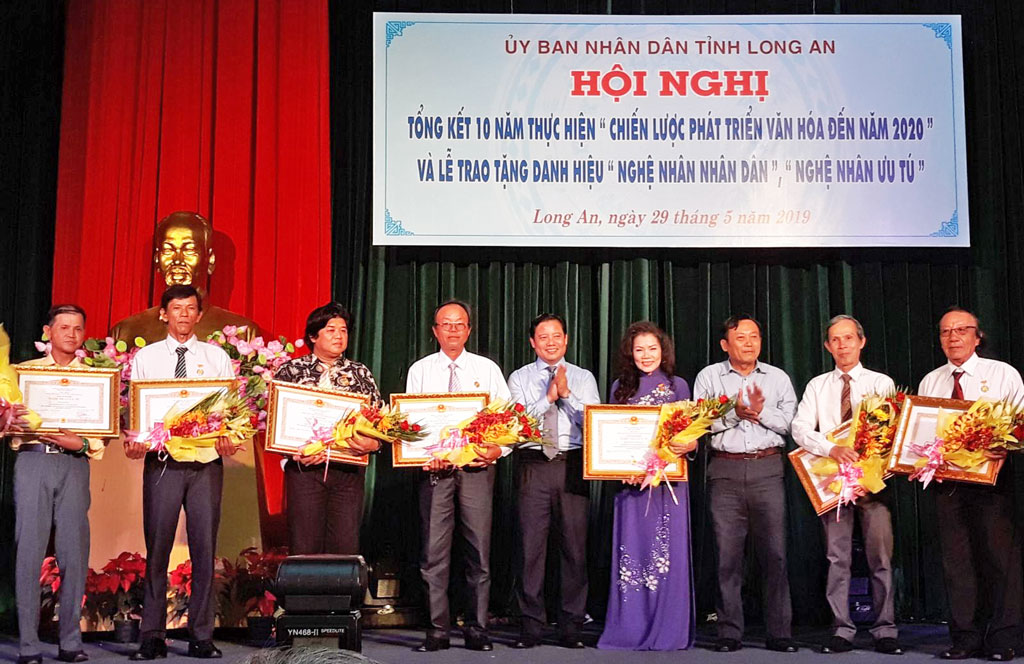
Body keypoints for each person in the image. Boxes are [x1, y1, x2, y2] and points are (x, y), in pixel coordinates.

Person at [125, 285, 238, 660]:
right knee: (157, 548)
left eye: (191, 308)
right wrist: (137, 439)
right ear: (164, 314)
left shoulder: (216, 356)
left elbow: (229, 409)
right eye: (177, 308)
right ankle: (152, 634)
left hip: (206, 462)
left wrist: (228, 438)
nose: (184, 315)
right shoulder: (147, 357)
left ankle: (201, 634)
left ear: (199, 315)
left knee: (205, 548)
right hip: (163, 462)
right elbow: (138, 408)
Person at [791, 315, 902, 655]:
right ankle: (842, 629)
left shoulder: (881, 383)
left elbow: (893, 432)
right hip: (832, 484)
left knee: (880, 557)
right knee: (836, 557)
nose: (842, 345)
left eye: (849, 338)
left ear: (861, 341)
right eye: (835, 340)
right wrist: (832, 448)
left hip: (873, 484)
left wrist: (873, 468)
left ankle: (885, 629)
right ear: (827, 346)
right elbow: (799, 428)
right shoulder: (817, 385)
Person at [919, 307, 1024, 661]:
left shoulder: (1002, 374)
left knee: (999, 558)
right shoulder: (931, 381)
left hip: (992, 479)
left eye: (961, 330)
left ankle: (1005, 637)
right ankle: (964, 637)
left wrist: (1005, 443)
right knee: (957, 561)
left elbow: (1021, 420)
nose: (953, 338)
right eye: (946, 332)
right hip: (947, 483)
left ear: (977, 336)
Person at [405, 300, 510, 653]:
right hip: (436, 473)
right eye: (445, 324)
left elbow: (507, 422)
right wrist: (422, 456)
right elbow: (412, 424)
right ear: (435, 330)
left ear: (468, 330)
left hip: (477, 471)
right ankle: (437, 631)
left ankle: (478, 629)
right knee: (433, 555)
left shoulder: (488, 369)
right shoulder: (420, 370)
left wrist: (496, 451)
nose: (452, 330)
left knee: (478, 554)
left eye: (459, 324)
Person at [10, 305, 110, 664]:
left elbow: (101, 435)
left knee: (73, 552)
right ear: (47, 332)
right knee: (29, 552)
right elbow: (8, 424)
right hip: (33, 460)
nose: (71, 333)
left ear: (84, 335)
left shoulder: (97, 379)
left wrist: (81, 443)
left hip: (74, 464)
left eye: (78, 328)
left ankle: (70, 642)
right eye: (64, 327)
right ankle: (28, 646)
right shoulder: (23, 375)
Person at [693, 314, 798, 653]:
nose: (750, 343)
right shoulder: (709, 377)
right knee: (728, 556)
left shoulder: (777, 378)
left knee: (775, 554)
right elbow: (699, 424)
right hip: (725, 470)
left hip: (768, 468)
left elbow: (791, 425)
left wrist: (759, 412)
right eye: (741, 338)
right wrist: (735, 413)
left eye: (755, 336)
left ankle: (780, 632)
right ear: (726, 344)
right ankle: (728, 631)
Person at [597, 321, 694, 651]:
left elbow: (689, 437)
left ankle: (668, 629)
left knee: (666, 556)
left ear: (663, 350)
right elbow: (611, 439)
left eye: (652, 348)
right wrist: (619, 470)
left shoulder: (677, 386)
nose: (646, 355)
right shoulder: (618, 388)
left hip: (667, 487)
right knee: (632, 554)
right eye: (639, 349)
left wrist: (689, 445)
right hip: (630, 489)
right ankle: (629, 629)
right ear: (630, 353)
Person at [507, 313, 600, 649]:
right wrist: (547, 397)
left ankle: (571, 625)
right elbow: (514, 422)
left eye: (556, 335)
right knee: (531, 548)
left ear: (566, 339)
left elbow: (594, 421)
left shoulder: (583, 377)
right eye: (543, 336)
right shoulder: (518, 377)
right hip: (533, 464)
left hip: (572, 463)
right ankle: (531, 625)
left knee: (574, 548)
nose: (550, 342)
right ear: (533, 342)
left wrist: (567, 395)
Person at [273, 302, 382, 554]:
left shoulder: (360, 373)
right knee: (304, 545)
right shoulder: (290, 371)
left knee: (344, 546)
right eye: (331, 330)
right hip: (305, 470)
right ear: (313, 335)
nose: (339, 336)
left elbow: (378, 423)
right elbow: (276, 423)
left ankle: (341, 595)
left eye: (343, 331)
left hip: (347, 472)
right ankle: (305, 595)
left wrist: (373, 445)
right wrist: (293, 453)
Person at [110, 211, 260, 344]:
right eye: (168, 250)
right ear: (157, 259)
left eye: (189, 251)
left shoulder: (242, 334)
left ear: (210, 260)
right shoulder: (126, 332)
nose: (177, 260)